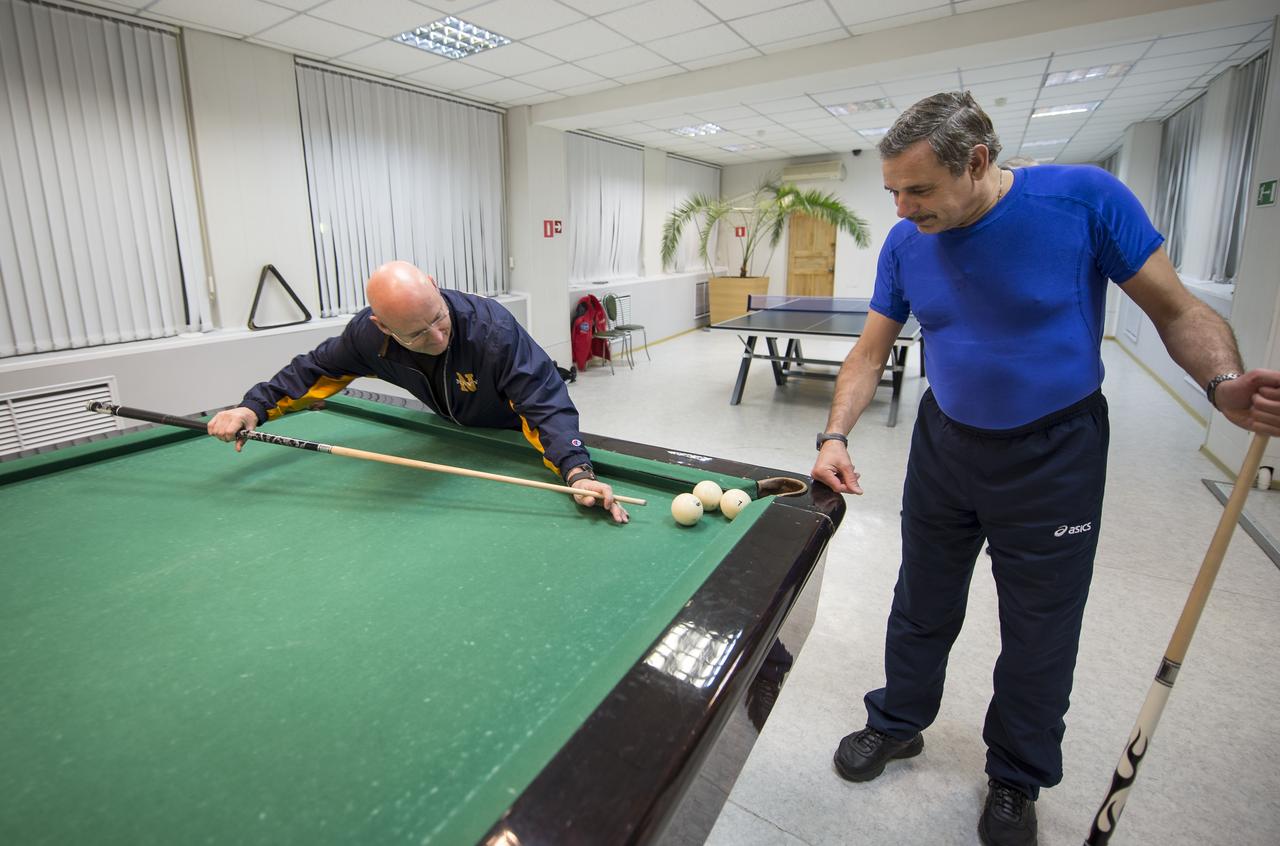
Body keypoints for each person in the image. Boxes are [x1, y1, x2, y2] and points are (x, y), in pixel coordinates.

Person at [809, 91, 1280, 846]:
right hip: (946, 443)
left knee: (1040, 629)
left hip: (1054, 452)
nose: (902, 209)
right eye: (892, 190)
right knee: (920, 599)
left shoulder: (1084, 201)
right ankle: (898, 722)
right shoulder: (906, 244)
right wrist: (834, 435)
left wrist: (1222, 384)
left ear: (980, 163)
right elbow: (870, 353)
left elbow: (1177, 310)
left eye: (919, 190)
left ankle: (1016, 775)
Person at [208, 260, 628, 523]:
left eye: (438, 318)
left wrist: (576, 471)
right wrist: (253, 408)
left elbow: (544, 403)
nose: (438, 335)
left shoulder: (492, 331)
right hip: (453, 423)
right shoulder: (367, 339)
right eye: (419, 333)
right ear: (383, 327)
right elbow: (315, 370)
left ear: (432, 283)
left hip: (513, 429)